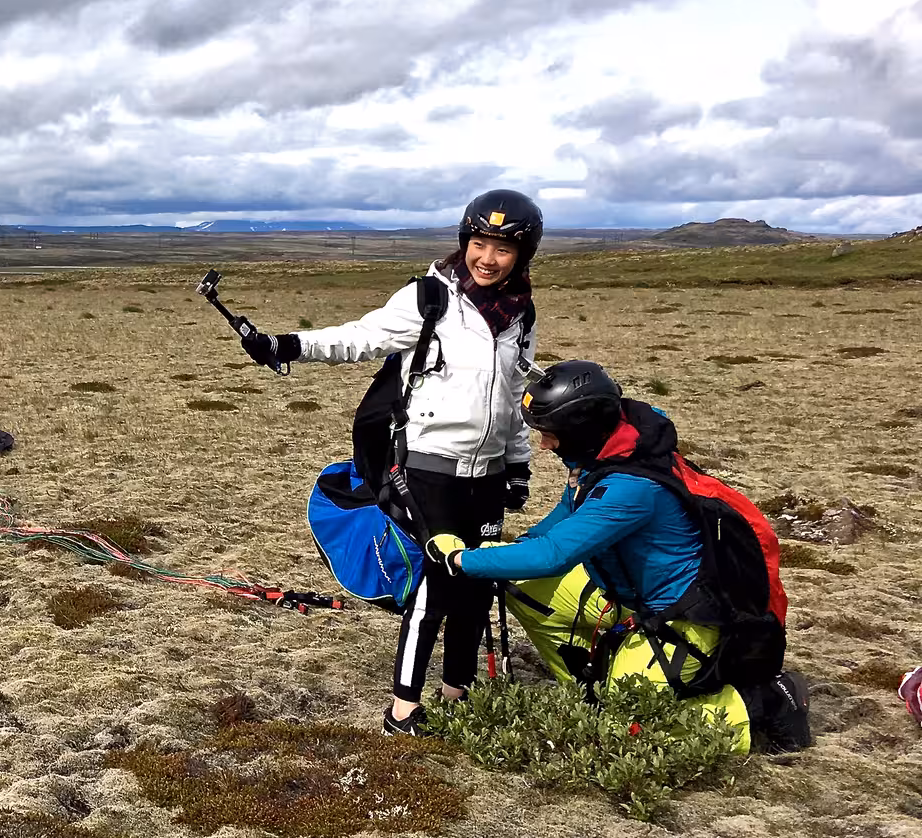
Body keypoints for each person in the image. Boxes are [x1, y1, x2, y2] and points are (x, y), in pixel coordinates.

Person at [243, 190, 542, 736]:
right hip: (429, 468)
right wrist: (286, 345)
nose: (488, 257)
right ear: (464, 242)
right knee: (436, 581)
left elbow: (515, 395)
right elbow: (360, 337)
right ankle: (402, 709)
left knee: (478, 583)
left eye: (502, 247)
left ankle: (458, 694)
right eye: (479, 243)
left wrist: (517, 466)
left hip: (489, 474)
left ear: (523, 254)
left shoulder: (520, 313)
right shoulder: (430, 298)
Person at [428, 359, 812, 753]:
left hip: (685, 622)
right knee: (514, 573)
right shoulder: (607, 453)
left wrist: (461, 560)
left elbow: (554, 556)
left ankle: (763, 704)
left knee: (625, 728)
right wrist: (519, 545)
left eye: (551, 435)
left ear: (581, 430)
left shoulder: (632, 486)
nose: (544, 444)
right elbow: (567, 514)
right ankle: (589, 688)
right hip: (627, 596)